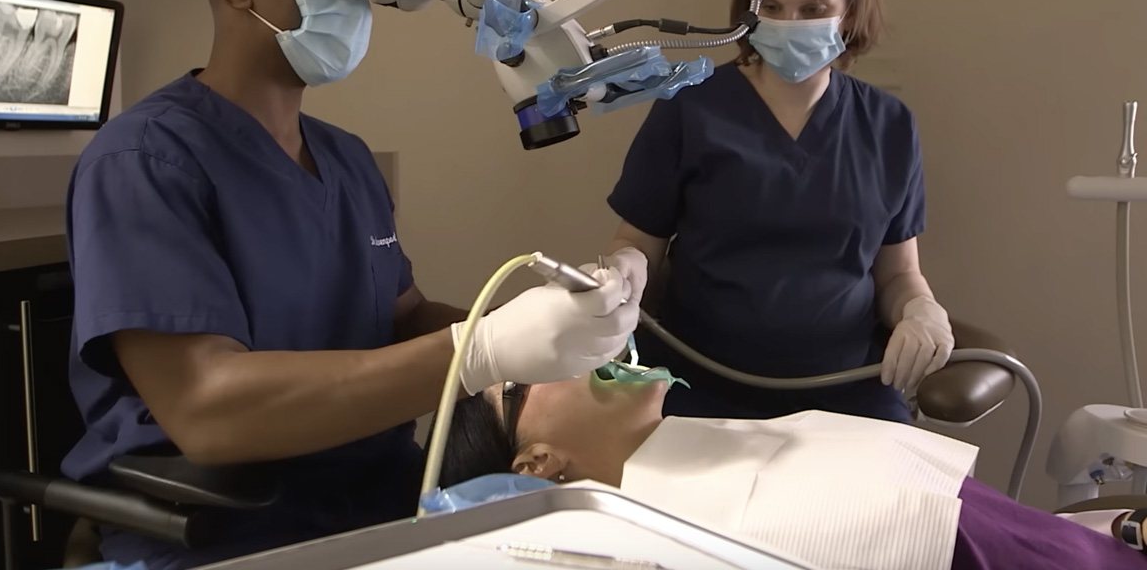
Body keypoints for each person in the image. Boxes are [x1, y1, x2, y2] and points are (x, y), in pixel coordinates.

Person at [62, 0, 640, 570]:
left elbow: (404, 317)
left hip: (377, 504)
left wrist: (549, 335)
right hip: (225, 532)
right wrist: (479, 349)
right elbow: (205, 409)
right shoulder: (145, 162)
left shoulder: (346, 159)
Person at [599, 0, 951, 423]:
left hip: (846, 389)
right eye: (771, 7)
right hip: (698, 384)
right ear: (749, 11)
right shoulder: (691, 106)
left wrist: (921, 311)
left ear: (849, 14)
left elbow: (898, 274)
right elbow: (637, 242)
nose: (788, 25)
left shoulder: (888, 126)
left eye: (813, 9)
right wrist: (623, 269)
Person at [439, 370, 1147, 570]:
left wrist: (1114, 528)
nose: (565, 357)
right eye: (531, 379)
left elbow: (1001, 529)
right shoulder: (728, 537)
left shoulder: (735, 447)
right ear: (536, 463)